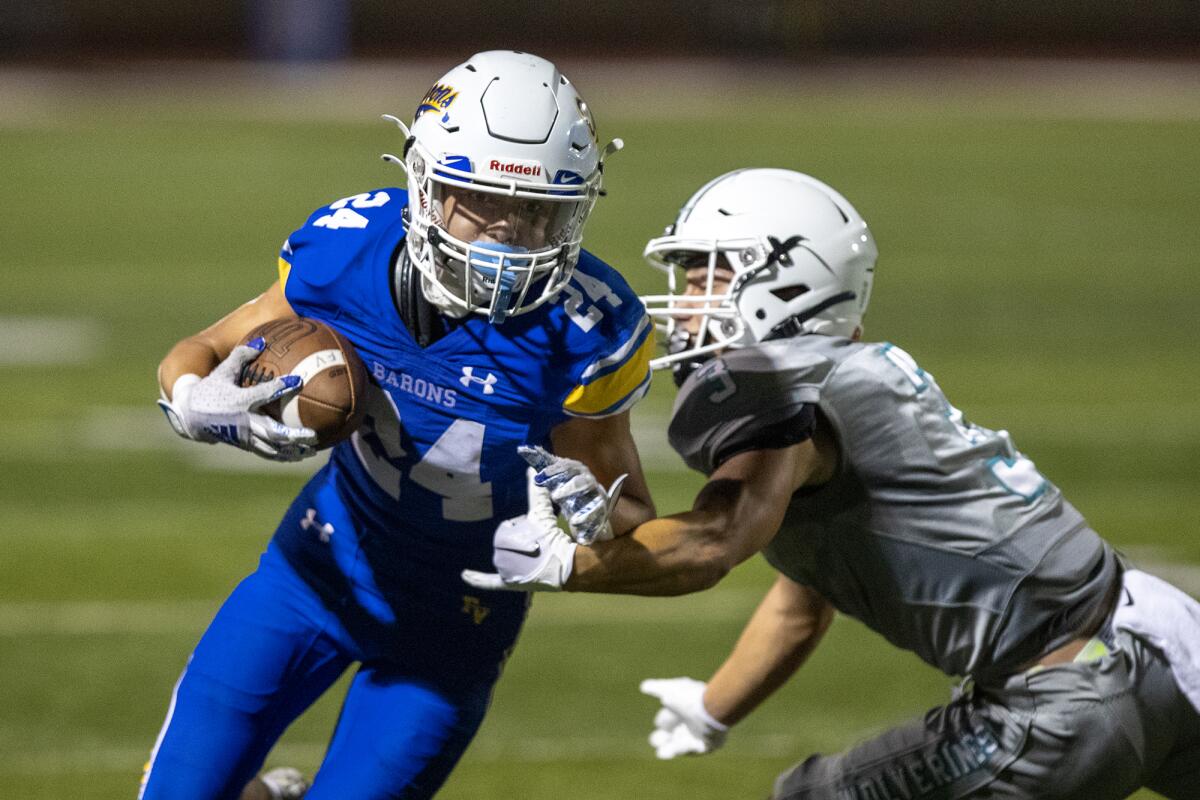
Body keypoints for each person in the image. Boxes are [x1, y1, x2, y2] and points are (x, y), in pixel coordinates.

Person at [464, 168, 1200, 798]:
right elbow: (802, 599)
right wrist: (714, 706)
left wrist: (566, 564)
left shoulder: (782, 386)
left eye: (707, 275)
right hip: (1160, 645)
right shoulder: (858, 373)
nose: (686, 305)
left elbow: (716, 540)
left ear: (787, 276)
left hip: (1067, 695)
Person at [142, 51, 657, 800]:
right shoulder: (350, 247)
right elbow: (205, 348)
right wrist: (195, 397)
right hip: (312, 573)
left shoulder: (587, 328)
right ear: (425, 184)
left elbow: (630, 508)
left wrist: (591, 517)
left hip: (456, 626)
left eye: (541, 211)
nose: (512, 236)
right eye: (484, 202)